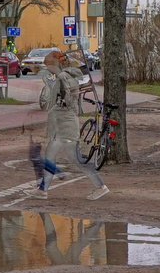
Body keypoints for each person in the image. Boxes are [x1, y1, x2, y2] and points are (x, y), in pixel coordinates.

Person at [34, 49, 107, 199]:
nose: (47, 69)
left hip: (64, 127)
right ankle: (42, 190)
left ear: (54, 64)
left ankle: (100, 186)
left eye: (48, 65)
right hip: (64, 125)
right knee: (50, 155)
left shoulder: (61, 79)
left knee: (77, 159)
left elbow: (56, 104)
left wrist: (49, 87)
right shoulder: (69, 77)